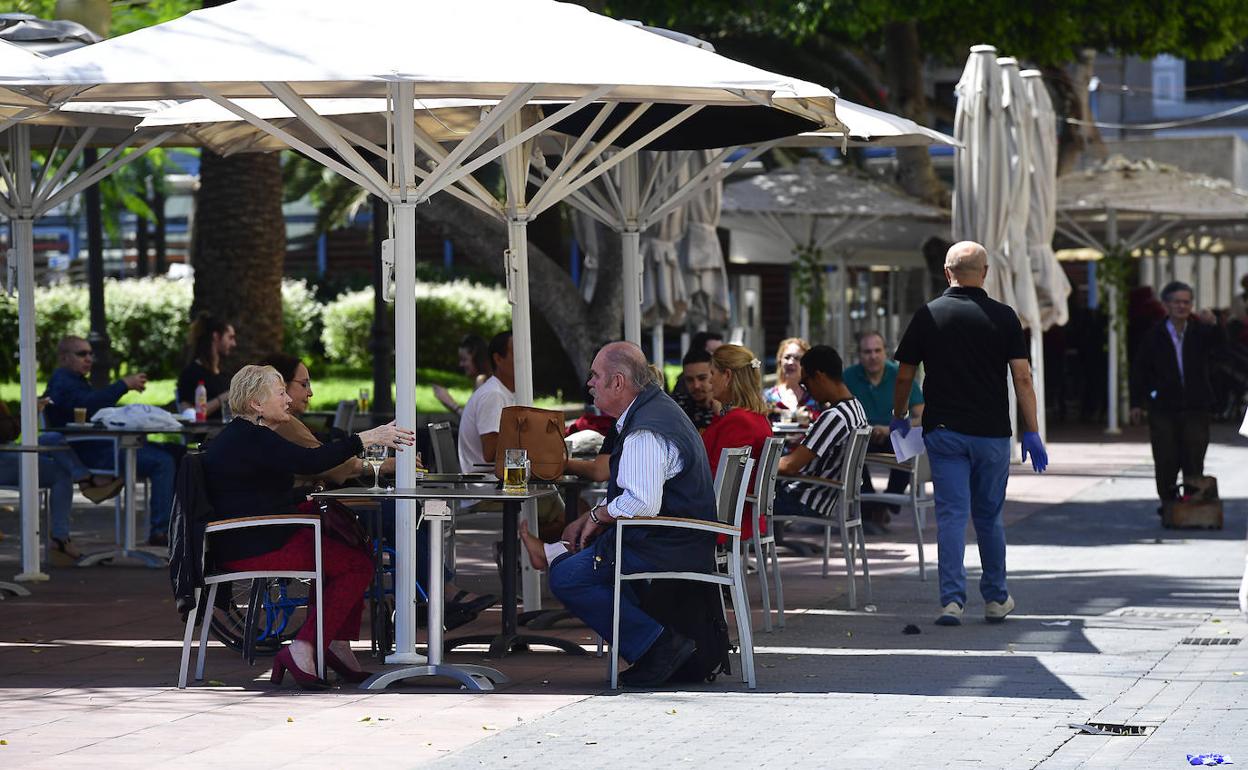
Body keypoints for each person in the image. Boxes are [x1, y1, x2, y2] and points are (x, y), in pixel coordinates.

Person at [201, 364, 414, 689]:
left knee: (351, 548)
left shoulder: (247, 436)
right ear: (257, 404)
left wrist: (308, 495)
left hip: (253, 536)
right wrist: (367, 438)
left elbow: (269, 490)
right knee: (356, 566)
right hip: (252, 545)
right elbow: (311, 462)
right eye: (281, 393)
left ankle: (332, 643)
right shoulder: (253, 437)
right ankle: (305, 648)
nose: (288, 400)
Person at [519, 342, 718, 687]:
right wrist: (597, 517)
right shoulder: (654, 410)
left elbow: (642, 503)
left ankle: (659, 647)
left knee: (568, 577)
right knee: (573, 563)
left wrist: (597, 517)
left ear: (618, 382)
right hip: (673, 538)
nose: (589, 383)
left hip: (665, 543)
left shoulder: (645, 429)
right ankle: (654, 647)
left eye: (596, 376)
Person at [892, 240, 1047, 627]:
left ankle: (952, 602)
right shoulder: (1004, 316)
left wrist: (898, 416)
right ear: (985, 273)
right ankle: (995, 598)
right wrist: (1032, 430)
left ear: (947, 273)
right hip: (993, 434)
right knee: (989, 517)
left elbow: (906, 373)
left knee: (950, 517)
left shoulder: (927, 315)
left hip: (944, 432)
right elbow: (1023, 378)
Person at [44, 336, 178, 547]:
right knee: (163, 461)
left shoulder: (75, 380)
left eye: (90, 353)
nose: (88, 358)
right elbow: (89, 407)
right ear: (64, 358)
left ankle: (180, 527)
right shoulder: (63, 381)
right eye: (82, 354)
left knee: (177, 452)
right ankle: (161, 532)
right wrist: (123, 385)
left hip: (106, 444)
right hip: (96, 452)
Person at [1129, 281, 1225, 513]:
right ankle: (1169, 503)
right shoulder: (1154, 335)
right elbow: (1139, 370)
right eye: (1176, 302)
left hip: (1195, 405)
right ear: (1166, 305)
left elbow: (1222, 349)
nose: (1182, 306)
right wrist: (1137, 402)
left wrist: (1214, 324)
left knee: (1194, 456)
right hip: (1163, 405)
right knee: (1166, 457)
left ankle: (1191, 504)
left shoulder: (1200, 331)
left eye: (1186, 302)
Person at [0, 400, 120, 563]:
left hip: (9, 450)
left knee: (53, 438)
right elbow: (6, 431)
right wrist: (27, 413)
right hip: (4, 458)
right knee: (61, 473)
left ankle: (84, 479)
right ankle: (61, 537)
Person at [842, 331, 924, 533]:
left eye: (877, 350)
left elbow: (922, 416)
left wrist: (891, 428)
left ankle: (884, 505)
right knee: (849, 451)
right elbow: (838, 412)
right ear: (859, 355)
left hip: (894, 432)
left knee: (910, 445)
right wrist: (864, 430)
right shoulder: (848, 377)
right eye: (867, 351)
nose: (873, 356)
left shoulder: (901, 376)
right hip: (861, 435)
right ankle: (870, 507)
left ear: (885, 352)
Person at [774, 345, 868, 518]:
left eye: (805, 383)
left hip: (805, 498)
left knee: (743, 499)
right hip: (828, 498)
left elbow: (789, 466)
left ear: (818, 376)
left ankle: (747, 544)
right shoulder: (856, 408)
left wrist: (753, 464)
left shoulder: (834, 417)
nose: (804, 389)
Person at [702, 344, 773, 540]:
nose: (709, 381)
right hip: (743, 515)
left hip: (723, 520)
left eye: (712, 373)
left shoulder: (738, 422)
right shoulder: (756, 418)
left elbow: (717, 476)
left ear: (727, 376)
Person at [457, 331, 515, 472]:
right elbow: (491, 453)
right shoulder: (493, 394)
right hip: (487, 485)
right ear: (498, 359)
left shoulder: (504, 392)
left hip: (499, 479)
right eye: (517, 353)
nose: (525, 359)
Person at [177, 313, 237, 417]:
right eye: (230, 337)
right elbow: (189, 415)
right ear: (216, 336)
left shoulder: (225, 374)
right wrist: (223, 398)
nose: (234, 344)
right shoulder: (191, 373)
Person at [763, 337, 821, 421]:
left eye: (797, 358)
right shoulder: (768, 397)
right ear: (780, 361)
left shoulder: (816, 397)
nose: (791, 362)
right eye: (787, 357)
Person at [433, 334, 490, 417]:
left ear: (477, 358)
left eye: (464, 359)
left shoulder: (482, 381)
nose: (461, 364)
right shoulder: (484, 380)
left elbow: (475, 422)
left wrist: (451, 404)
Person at [672, 347, 716, 432]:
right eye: (689, 380)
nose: (696, 385)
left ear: (714, 376)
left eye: (702, 378)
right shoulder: (675, 407)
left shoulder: (726, 409)